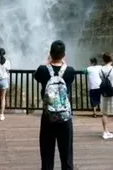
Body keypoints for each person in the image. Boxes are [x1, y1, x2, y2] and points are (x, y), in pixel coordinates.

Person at [34, 40, 76, 170]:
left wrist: (48, 63)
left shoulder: (42, 70)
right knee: (66, 156)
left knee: (47, 156)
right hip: (65, 117)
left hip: (48, 116)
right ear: (64, 55)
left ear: (50, 54)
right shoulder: (70, 71)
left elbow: (36, 76)